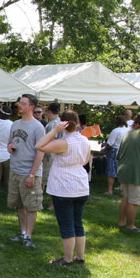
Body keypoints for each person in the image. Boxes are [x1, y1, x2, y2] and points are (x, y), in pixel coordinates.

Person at [37, 110, 90, 266]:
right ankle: (80, 257)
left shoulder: (64, 143)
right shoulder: (84, 140)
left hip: (63, 187)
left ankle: (67, 259)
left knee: (67, 224)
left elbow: (39, 145)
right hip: (80, 185)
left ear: (63, 124)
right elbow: (85, 161)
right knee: (77, 222)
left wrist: (54, 130)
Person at [7, 94, 45, 249]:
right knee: (19, 205)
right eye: (19, 103)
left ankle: (29, 236)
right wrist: (10, 147)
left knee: (31, 206)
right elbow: (10, 143)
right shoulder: (14, 124)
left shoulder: (38, 127)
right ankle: (22, 232)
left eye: (23, 103)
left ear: (31, 107)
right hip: (15, 170)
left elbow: (40, 152)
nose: (19, 105)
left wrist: (32, 174)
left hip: (29, 173)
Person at [41, 102, 62, 210]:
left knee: (45, 179)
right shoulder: (59, 122)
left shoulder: (52, 124)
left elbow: (50, 139)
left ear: (49, 111)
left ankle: (48, 204)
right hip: (54, 154)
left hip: (49, 155)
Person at [103, 116, 129, 195]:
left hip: (115, 151)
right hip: (126, 152)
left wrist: (105, 148)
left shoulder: (115, 131)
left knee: (112, 171)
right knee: (122, 171)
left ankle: (110, 190)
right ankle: (122, 190)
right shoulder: (129, 131)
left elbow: (110, 143)